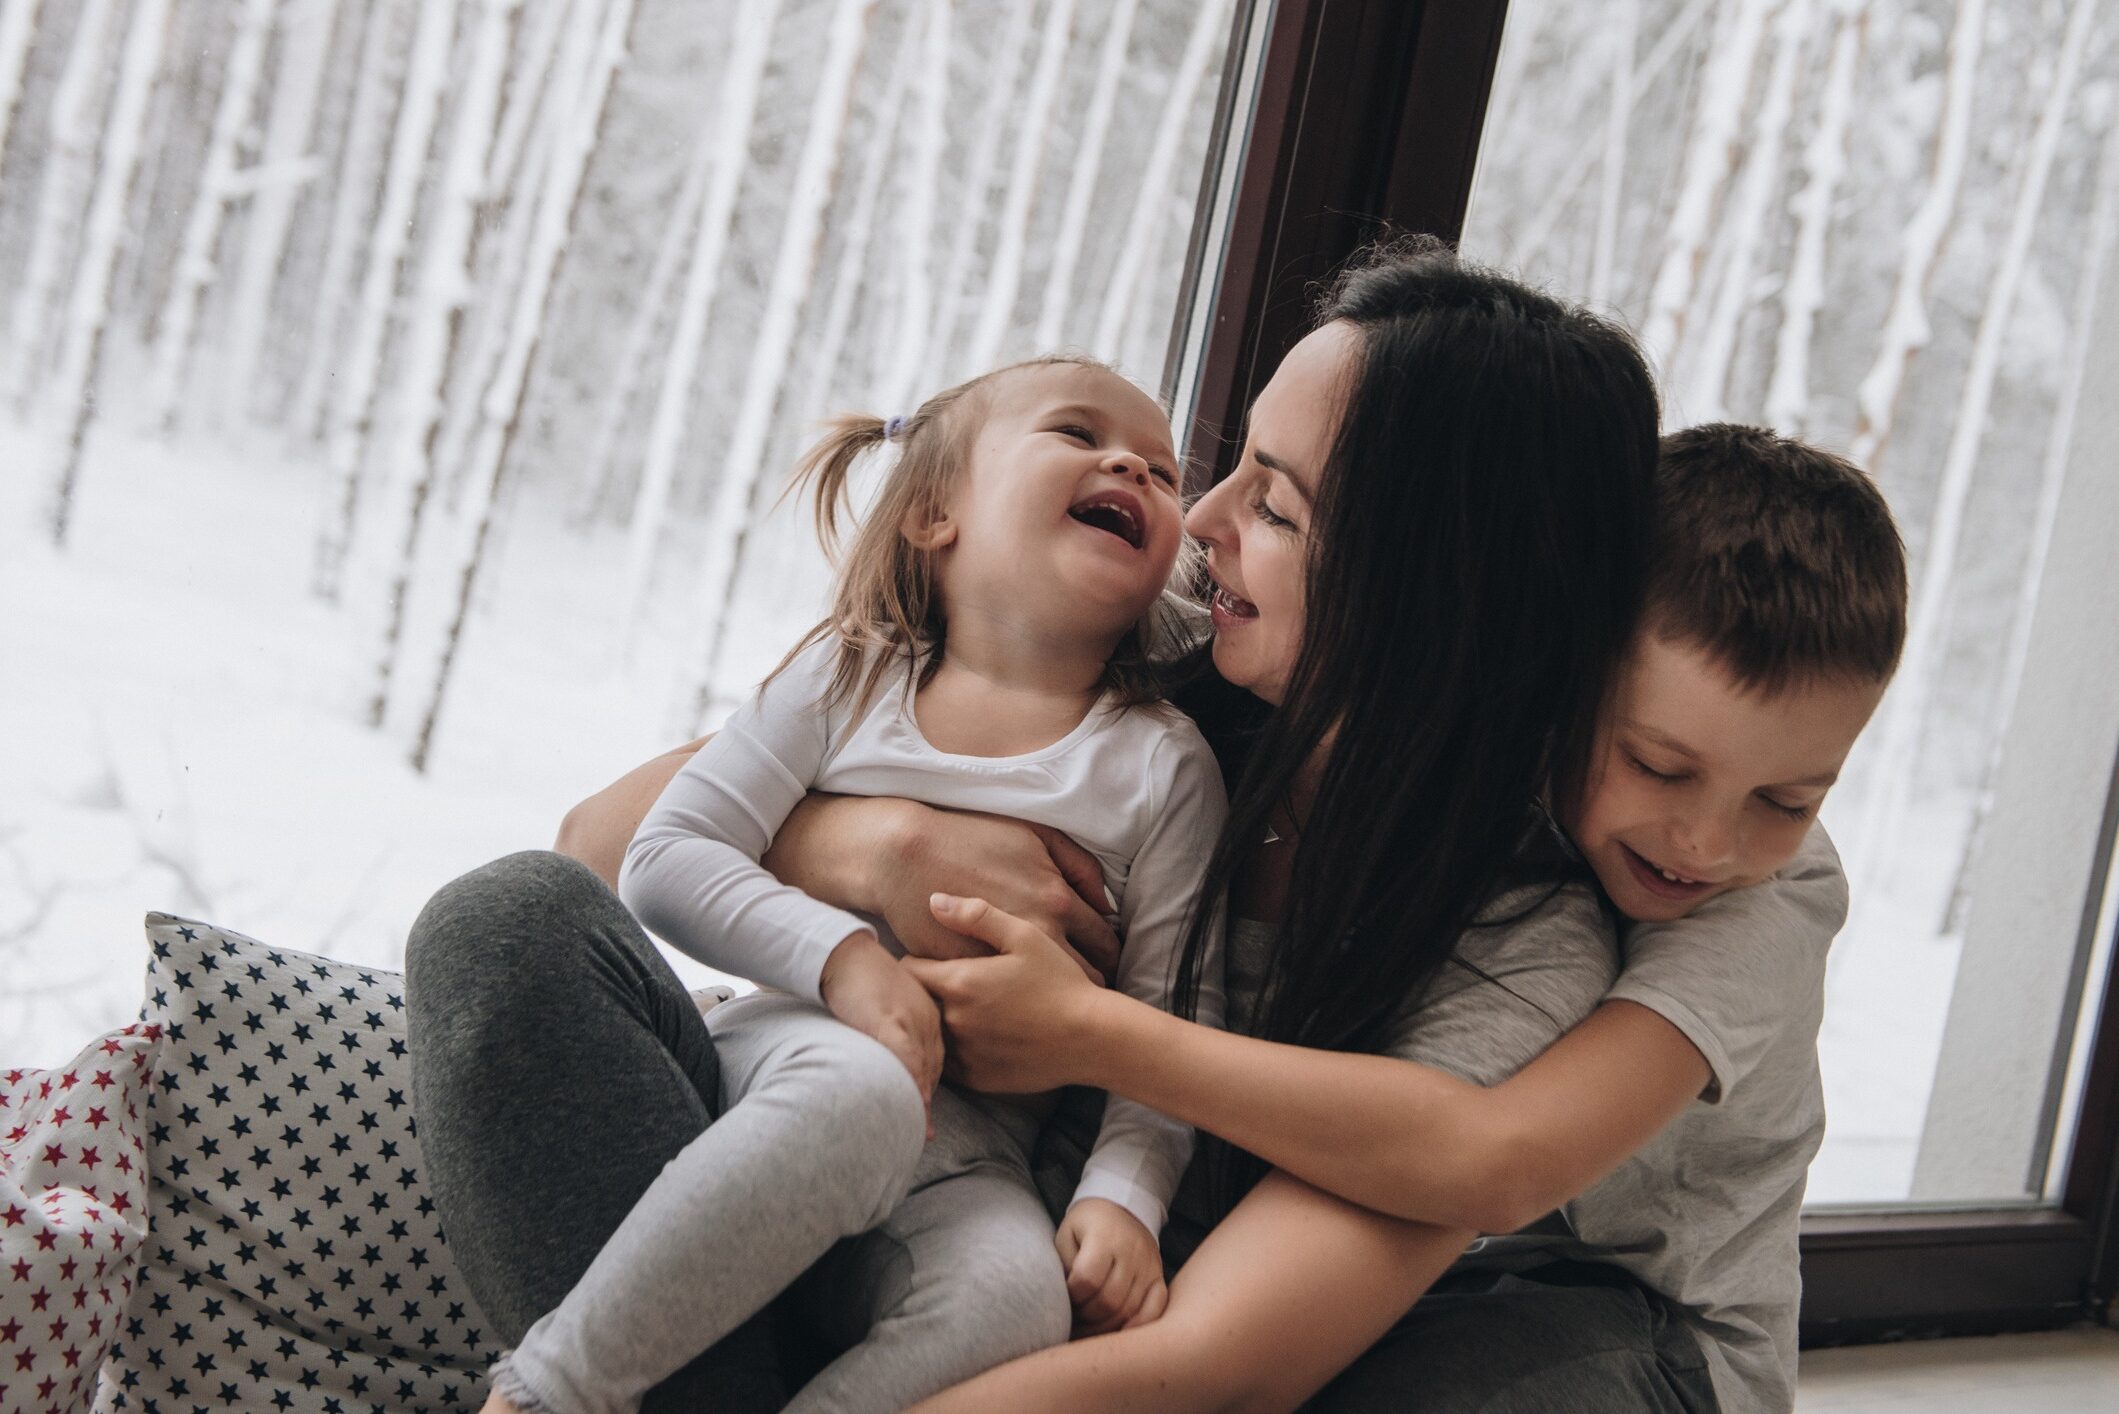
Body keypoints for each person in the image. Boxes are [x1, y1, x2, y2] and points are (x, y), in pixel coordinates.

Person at [409, 237, 1662, 1410]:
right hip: (773, 1147)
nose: (1203, 522)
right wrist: (879, 852)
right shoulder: (1163, 650)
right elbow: (605, 841)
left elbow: (1214, 1364)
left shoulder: (1510, 939)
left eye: (1273, 507)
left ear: (1434, 591)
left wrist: (1088, 1040)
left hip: (966, 1309)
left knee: (987, 1283)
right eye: (1225, 472)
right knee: (506, 925)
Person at [898, 422, 1907, 1413]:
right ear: (1563, 668)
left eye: (1787, 802)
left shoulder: (1767, 905)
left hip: (1644, 1323)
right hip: (1416, 1263)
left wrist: (1095, 1035)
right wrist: (849, 835)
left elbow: (1497, 1162)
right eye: (1657, 764)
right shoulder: (1443, 724)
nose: (1706, 842)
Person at [415, 354, 1229, 1414]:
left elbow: (1170, 1027)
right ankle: (549, 1390)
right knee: (861, 1094)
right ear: (936, 514)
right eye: (1078, 433)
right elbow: (662, 856)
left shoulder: (1166, 769)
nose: (1132, 461)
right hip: (787, 1064)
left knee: (1015, 1302)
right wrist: (842, 960)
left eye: (1163, 470)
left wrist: (1125, 1196)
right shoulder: (849, 675)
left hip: (976, 1159)